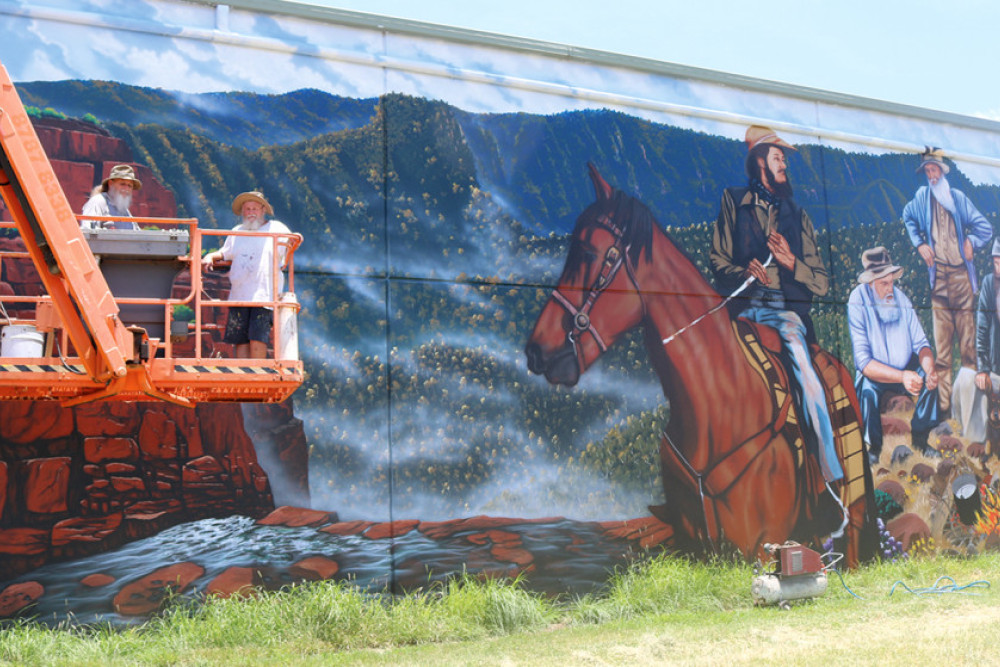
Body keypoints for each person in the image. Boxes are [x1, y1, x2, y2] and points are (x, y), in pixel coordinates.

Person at [710, 125, 842, 483]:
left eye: (784, 157)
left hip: (783, 316)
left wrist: (790, 264)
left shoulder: (797, 216)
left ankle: (828, 471)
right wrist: (742, 270)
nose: (784, 162)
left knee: (806, 374)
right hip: (741, 313)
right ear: (760, 161)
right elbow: (717, 261)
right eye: (777, 155)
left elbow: (821, 280)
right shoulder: (733, 201)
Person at [902, 147, 993, 415]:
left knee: (968, 348)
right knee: (941, 353)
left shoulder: (958, 198)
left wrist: (971, 242)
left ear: (942, 171)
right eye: (927, 171)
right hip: (939, 280)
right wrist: (919, 244)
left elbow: (984, 228)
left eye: (934, 170)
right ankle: (943, 411)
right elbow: (907, 217)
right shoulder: (921, 199)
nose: (931, 175)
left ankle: (970, 409)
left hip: (962, 280)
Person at [847, 247, 941, 464]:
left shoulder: (902, 300)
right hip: (875, 372)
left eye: (891, 282)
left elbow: (922, 345)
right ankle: (873, 449)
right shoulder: (856, 301)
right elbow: (864, 363)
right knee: (867, 391)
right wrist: (902, 377)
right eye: (884, 284)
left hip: (906, 366)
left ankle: (920, 440)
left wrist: (930, 369)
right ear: (870, 283)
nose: (891, 289)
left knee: (929, 380)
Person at [201, 191, 291, 359]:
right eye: (247, 209)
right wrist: (210, 256)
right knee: (240, 339)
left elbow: (291, 243)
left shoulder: (277, 228)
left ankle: (257, 377)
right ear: (243, 212)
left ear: (263, 210)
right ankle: (242, 374)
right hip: (240, 295)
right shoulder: (237, 232)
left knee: (258, 337)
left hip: (264, 296)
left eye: (254, 209)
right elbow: (225, 252)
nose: (251, 213)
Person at [952, 238, 1000, 443]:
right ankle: (975, 445)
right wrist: (983, 368)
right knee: (966, 378)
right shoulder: (990, 283)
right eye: (996, 263)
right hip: (995, 371)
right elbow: (982, 329)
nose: (999, 269)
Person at [80, 164, 141, 229]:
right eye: (122, 184)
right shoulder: (97, 202)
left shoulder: (125, 211)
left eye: (129, 186)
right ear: (110, 183)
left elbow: (137, 233)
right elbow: (87, 230)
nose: (126, 189)